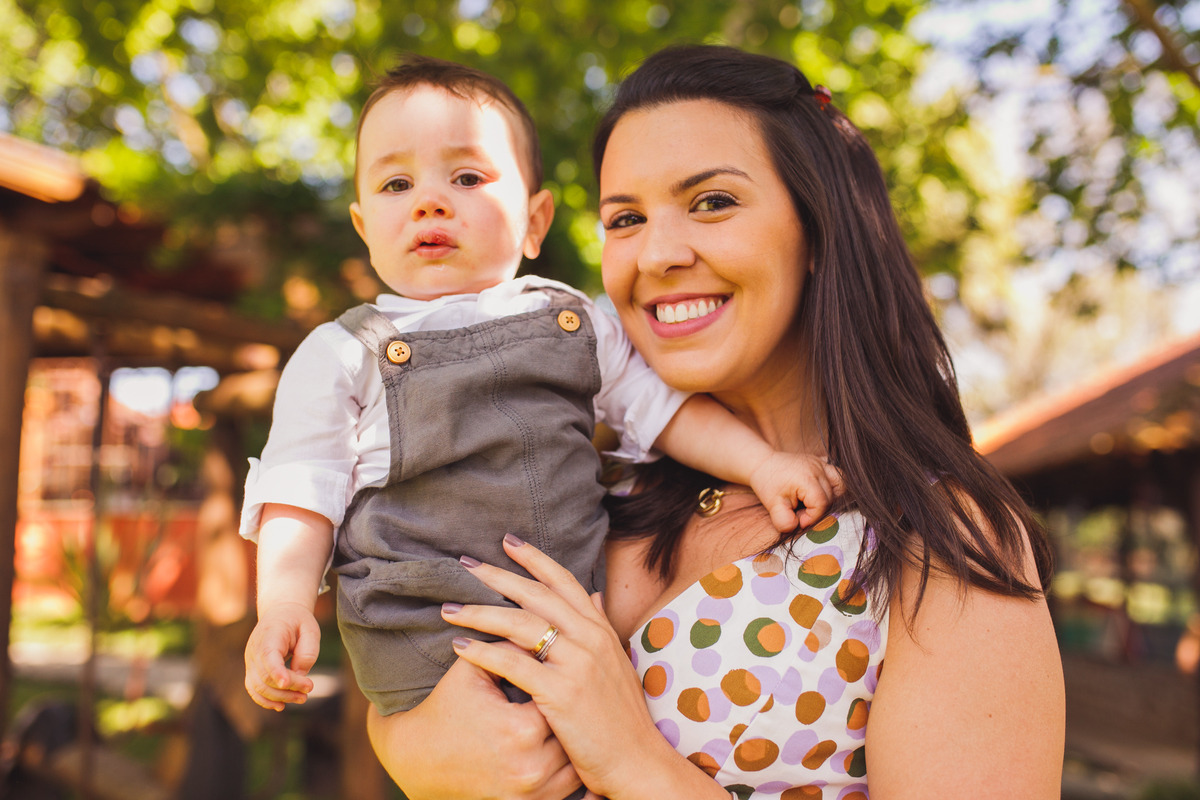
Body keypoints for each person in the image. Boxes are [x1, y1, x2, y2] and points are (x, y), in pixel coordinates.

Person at [365, 45, 1065, 799]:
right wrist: (410, 744)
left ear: (821, 232)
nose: (658, 254)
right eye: (626, 218)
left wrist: (633, 761)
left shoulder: (940, 543)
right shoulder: (581, 485)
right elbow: (421, 645)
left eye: (712, 202)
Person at [240, 54, 845, 718]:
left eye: (467, 176)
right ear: (364, 230)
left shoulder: (575, 322)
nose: (429, 201)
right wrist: (286, 606)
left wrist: (761, 464)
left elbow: (662, 410)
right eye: (395, 184)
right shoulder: (341, 353)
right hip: (422, 642)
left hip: (572, 635)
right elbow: (302, 493)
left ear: (534, 222)